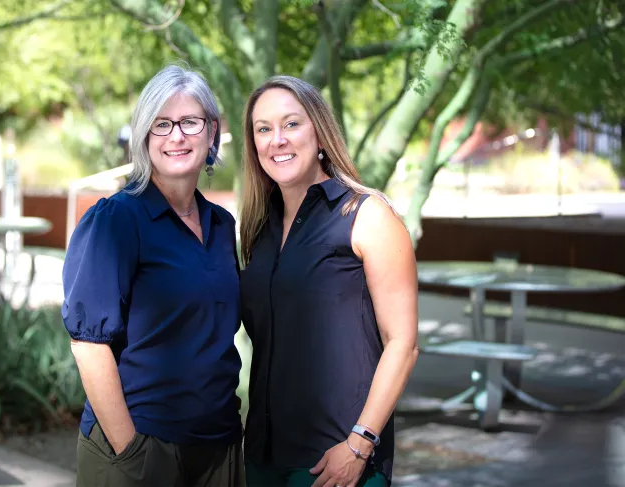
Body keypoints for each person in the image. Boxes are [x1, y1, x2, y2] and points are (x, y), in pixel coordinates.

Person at [62, 64, 245, 487]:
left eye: (190, 122)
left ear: (212, 132)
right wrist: (131, 452)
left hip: (218, 446)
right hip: (142, 444)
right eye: (161, 124)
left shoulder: (221, 225)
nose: (176, 136)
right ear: (144, 136)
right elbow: (88, 344)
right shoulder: (116, 220)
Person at [238, 76, 420, 487]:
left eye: (291, 124)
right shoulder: (258, 229)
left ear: (318, 131)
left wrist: (360, 443)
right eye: (263, 129)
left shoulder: (365, 215)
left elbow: (403, 344)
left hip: (337, 461)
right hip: (263, 457)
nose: (277, 139)